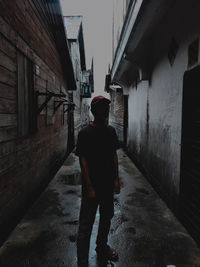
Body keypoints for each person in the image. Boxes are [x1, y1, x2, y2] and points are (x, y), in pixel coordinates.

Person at [75, 95, 120, 267]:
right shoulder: (85, 133)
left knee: (106, 218)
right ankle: (82, 260)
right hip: (92, 187)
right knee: (86, 224)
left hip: (108, 185)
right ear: (93, 111)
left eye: (106, 108)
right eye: (101, 108)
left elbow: (114, 155)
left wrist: (116, 179)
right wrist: (89, 186)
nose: (105, 111)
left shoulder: (110, 131)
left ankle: (101, 247)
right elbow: (83, 160)